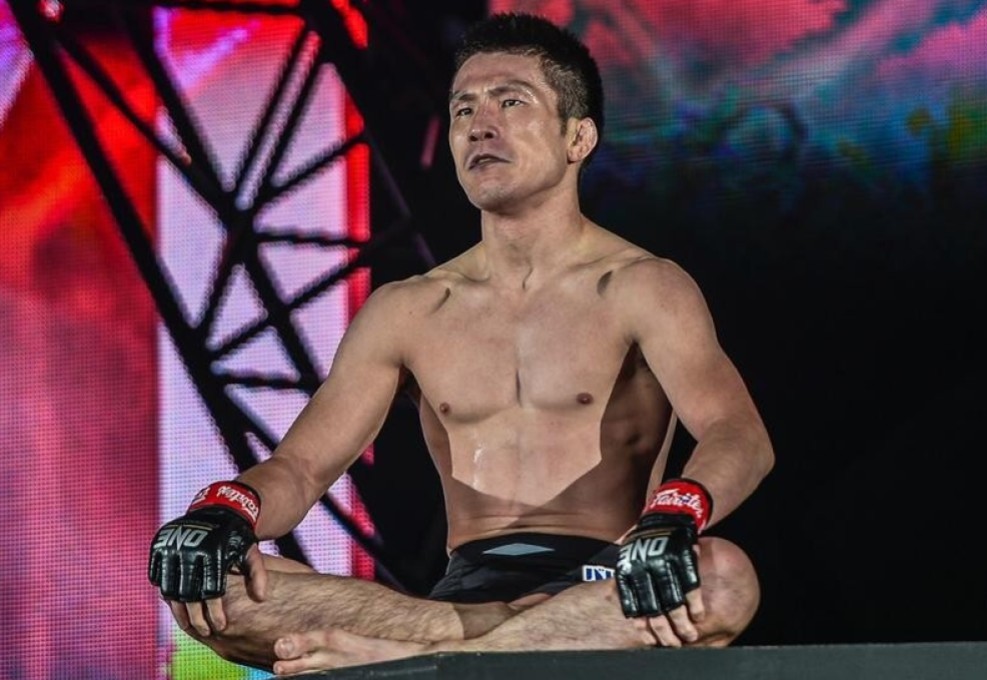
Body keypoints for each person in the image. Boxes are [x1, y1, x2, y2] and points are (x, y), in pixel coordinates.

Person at [148, 12, 774, 676]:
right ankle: (453, 657)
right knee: (213, 591)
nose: (481, 125)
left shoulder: (644, 287)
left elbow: (740, 435)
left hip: (606, 594)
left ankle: (414, 666)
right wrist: (226, 511)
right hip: (456, 606)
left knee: (726, 577)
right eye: (463, 110)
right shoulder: (408, 309)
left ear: (578, 137)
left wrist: (676, 514)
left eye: (511, 102)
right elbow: (300, 471)